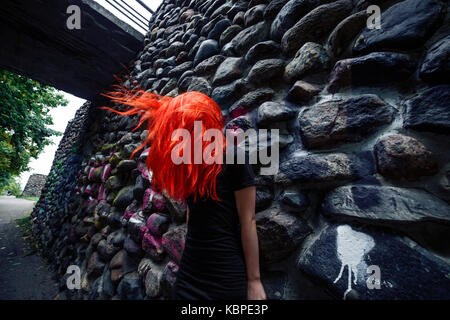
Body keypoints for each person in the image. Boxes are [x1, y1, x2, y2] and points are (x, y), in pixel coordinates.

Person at [102, 88, 267, 300]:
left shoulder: (233, 158)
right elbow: (193, 214)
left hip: (223, 270)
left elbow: (248, 221)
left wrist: (254, 281)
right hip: (190, 267)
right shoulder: (191, 165)